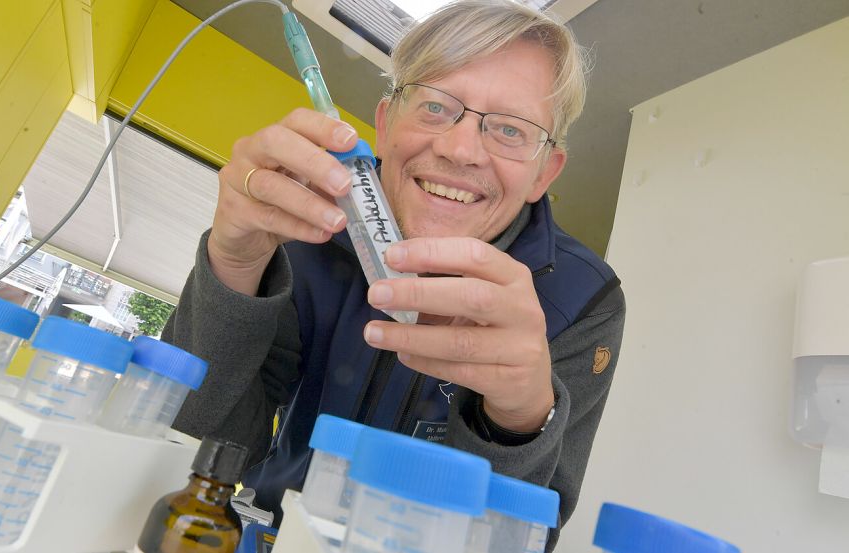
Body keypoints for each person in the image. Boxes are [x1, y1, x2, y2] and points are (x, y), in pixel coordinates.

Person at [163, 1, 625, 549]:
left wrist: (520, 422)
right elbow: (200, 439)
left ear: (542, 174)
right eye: (434, 106)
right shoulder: (310, 232)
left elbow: (520, 541)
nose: (459, 149)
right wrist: (235, 266)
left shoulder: (584, 300)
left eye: (509, 129)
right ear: (384, 126)